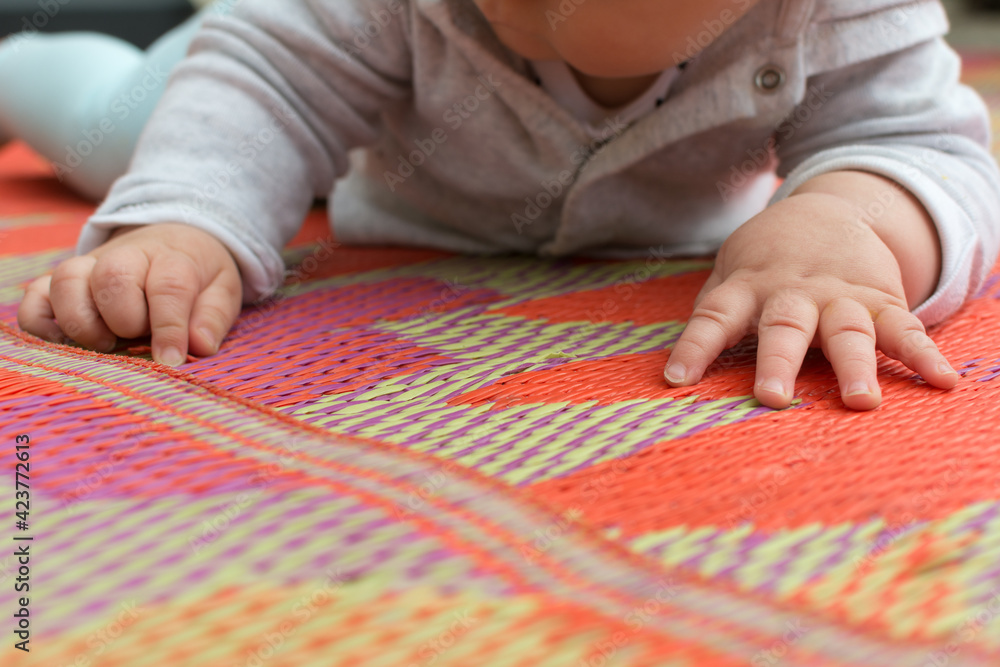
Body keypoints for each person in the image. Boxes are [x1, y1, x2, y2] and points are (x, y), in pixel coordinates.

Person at [13, 0, 1000, 412]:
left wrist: (852, 227)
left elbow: (912, 145)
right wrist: (184, 218)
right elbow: (274, 79)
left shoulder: (844, 13)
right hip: (307, 100)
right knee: (123, 133)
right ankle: (24, 60)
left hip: (359, 140)